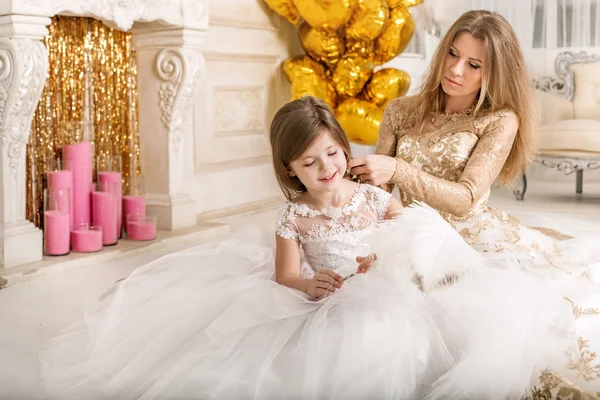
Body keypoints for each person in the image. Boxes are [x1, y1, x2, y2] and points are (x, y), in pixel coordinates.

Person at [38, 96, 455, 399]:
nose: (327, 167)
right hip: (327, 300)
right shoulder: (292, 216)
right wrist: (309, 286)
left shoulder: (377, 199)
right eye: (309, 163)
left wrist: (384, 262)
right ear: (289, 169)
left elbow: (414, 242)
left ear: (345, 148)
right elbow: (286, 275)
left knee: (393, 338)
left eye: (332, 153)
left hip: (383, 293)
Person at [349, 10, 600, 397]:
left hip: (474, 240)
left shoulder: (500, 119)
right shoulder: (400, 111)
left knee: (519, 321)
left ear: (495, 72)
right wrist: (366, 239)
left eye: (474, 64)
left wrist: (398, 169)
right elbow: (379, 196)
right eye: (452, 53)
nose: (456, 70)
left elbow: (466, 199)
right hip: (411, 234)